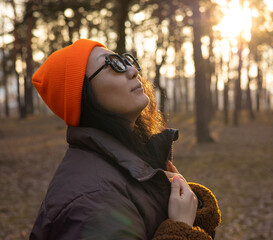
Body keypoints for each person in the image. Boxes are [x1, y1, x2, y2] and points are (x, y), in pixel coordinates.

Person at [30, 39, 221, 240]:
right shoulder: (94, 199)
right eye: (112, 63)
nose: (132, 70)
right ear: (83, 94)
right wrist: (180, 227)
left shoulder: (127, 160)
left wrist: (193, 207)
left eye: (125, 60)